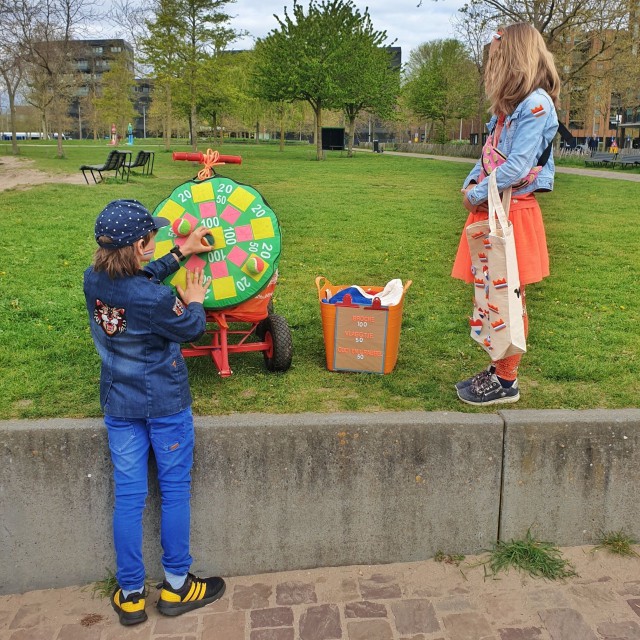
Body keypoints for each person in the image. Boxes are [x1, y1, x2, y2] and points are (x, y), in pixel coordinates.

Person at [83, 199, 225, 626]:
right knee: (174, 490)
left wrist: (180, 252)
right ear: (141, 245)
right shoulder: (157, 300)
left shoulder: (94, 279)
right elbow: (191, 327)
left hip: (119, 404)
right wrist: (193, 299)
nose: (159, 238)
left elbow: (137, 280)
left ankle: (130, 594)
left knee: (129, 496)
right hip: (165, 405)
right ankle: (177, 586)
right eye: (155, 237)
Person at [451, 23, 560, 405]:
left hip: (513, 212)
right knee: (491, 296)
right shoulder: (511, 107)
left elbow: (514, 168)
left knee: (509, 297)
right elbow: (488, 157)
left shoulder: (535, 104)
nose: (491, 67)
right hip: (496, 207)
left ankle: (506, 381)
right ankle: (498, 370)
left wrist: (475, 194)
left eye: (497, 58)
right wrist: (471, 187)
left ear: (514, 57)